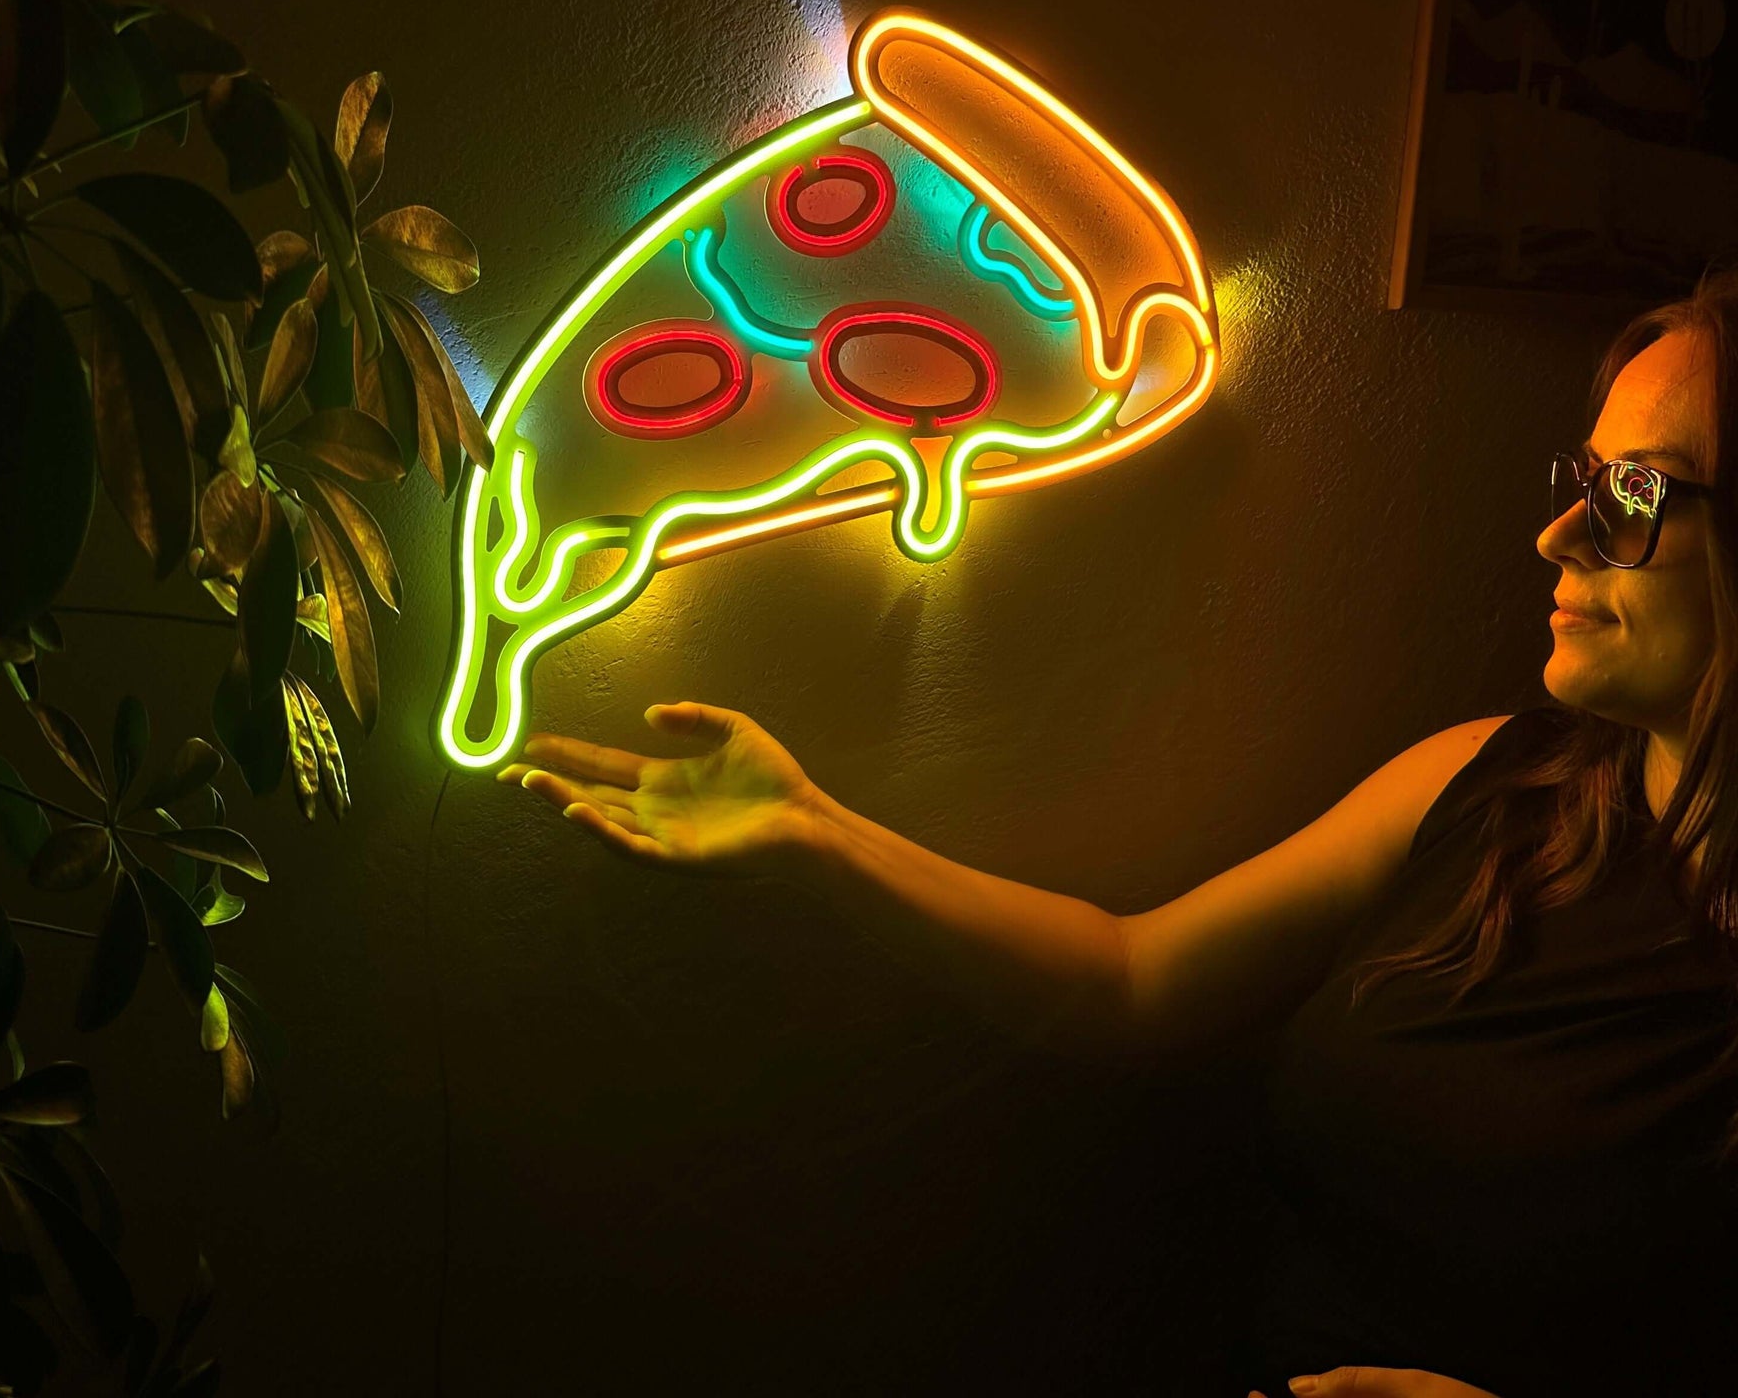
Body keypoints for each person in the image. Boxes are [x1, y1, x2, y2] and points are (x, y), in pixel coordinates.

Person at [498, 268, 1738, 1398]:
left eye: (1636, 493)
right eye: (1585, 479)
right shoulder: (1487, 781)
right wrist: (815, 829)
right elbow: (1133, 974)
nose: (1559, 534)